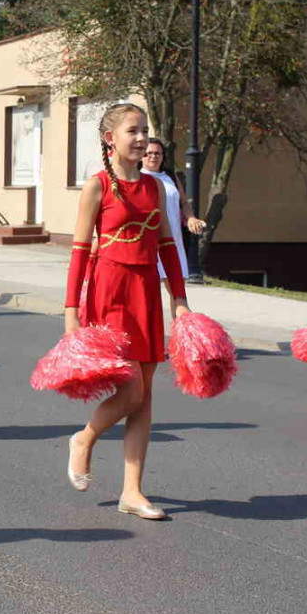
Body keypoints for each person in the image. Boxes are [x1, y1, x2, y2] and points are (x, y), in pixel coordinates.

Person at [64, 103, 191, 521]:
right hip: (110, 291)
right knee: (132, 388)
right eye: (132, 131)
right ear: (110, 138)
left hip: (145, 293)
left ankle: (132, 491)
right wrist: (71, 313)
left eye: (145, 130)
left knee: (145, 396)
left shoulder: (156, 187)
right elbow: (80, 251)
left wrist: (179, 299)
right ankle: (84, 438)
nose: (141, 138)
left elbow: (168, 245)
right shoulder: (97, 186)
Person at [139, 138, 205, 300]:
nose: (153, 157)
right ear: (141, 156)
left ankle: (179, 324)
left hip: (172, 241)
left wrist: (190, 218)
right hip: (148, 241)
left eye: (157, 153)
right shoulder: (136, 176)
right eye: (148, 154)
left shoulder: (170, 175)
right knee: (146, 295)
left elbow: (183, 202)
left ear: (163, 156)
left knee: (178, 294)